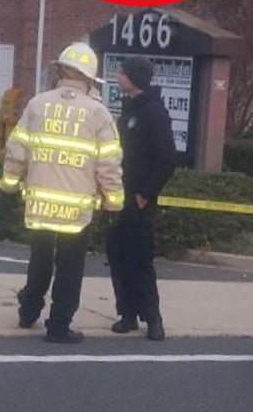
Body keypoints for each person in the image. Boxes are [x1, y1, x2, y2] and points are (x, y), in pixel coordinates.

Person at [1, 42, 125, 343]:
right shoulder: (98, 113)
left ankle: (28, 311)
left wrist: (9, 186)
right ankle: (58, 326)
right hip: (76, 210)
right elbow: (108, 164)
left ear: (60, 70)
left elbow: (16, 150)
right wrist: (114, 204)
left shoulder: (37, 104)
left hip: (40, 202)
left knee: (39, 259)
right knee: (69, 268)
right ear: (90, 79)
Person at [107, 56, 177, 342]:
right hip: (118, 198)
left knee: (140, 260)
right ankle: (127, 314)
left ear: (134, 77)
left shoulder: (154, 112)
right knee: (118, 256)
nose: (118, 76)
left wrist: (145, 193)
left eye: (122, 72)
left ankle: (153, 319)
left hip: (139, 201)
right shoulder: (128, 109)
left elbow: (167, 159)